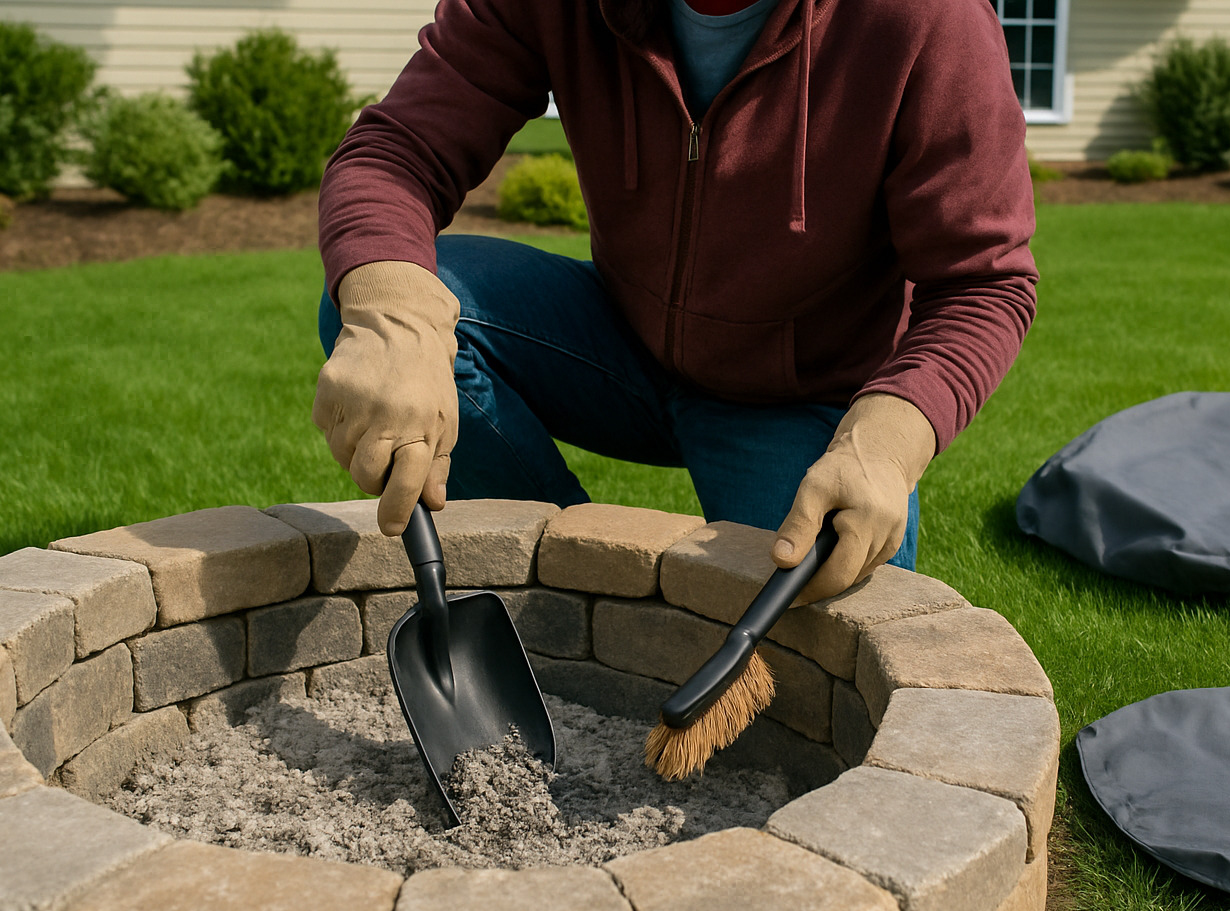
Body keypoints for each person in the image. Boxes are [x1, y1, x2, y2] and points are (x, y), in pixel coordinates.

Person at [315, 0, 1037, 603]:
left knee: (805, 656)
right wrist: (393, 315)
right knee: (384, 297)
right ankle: (566, 588)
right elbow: (398, 151)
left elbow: (983, 283)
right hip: (624, 345)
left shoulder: (925, 19)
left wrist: (884, 444)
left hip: (802, 396)